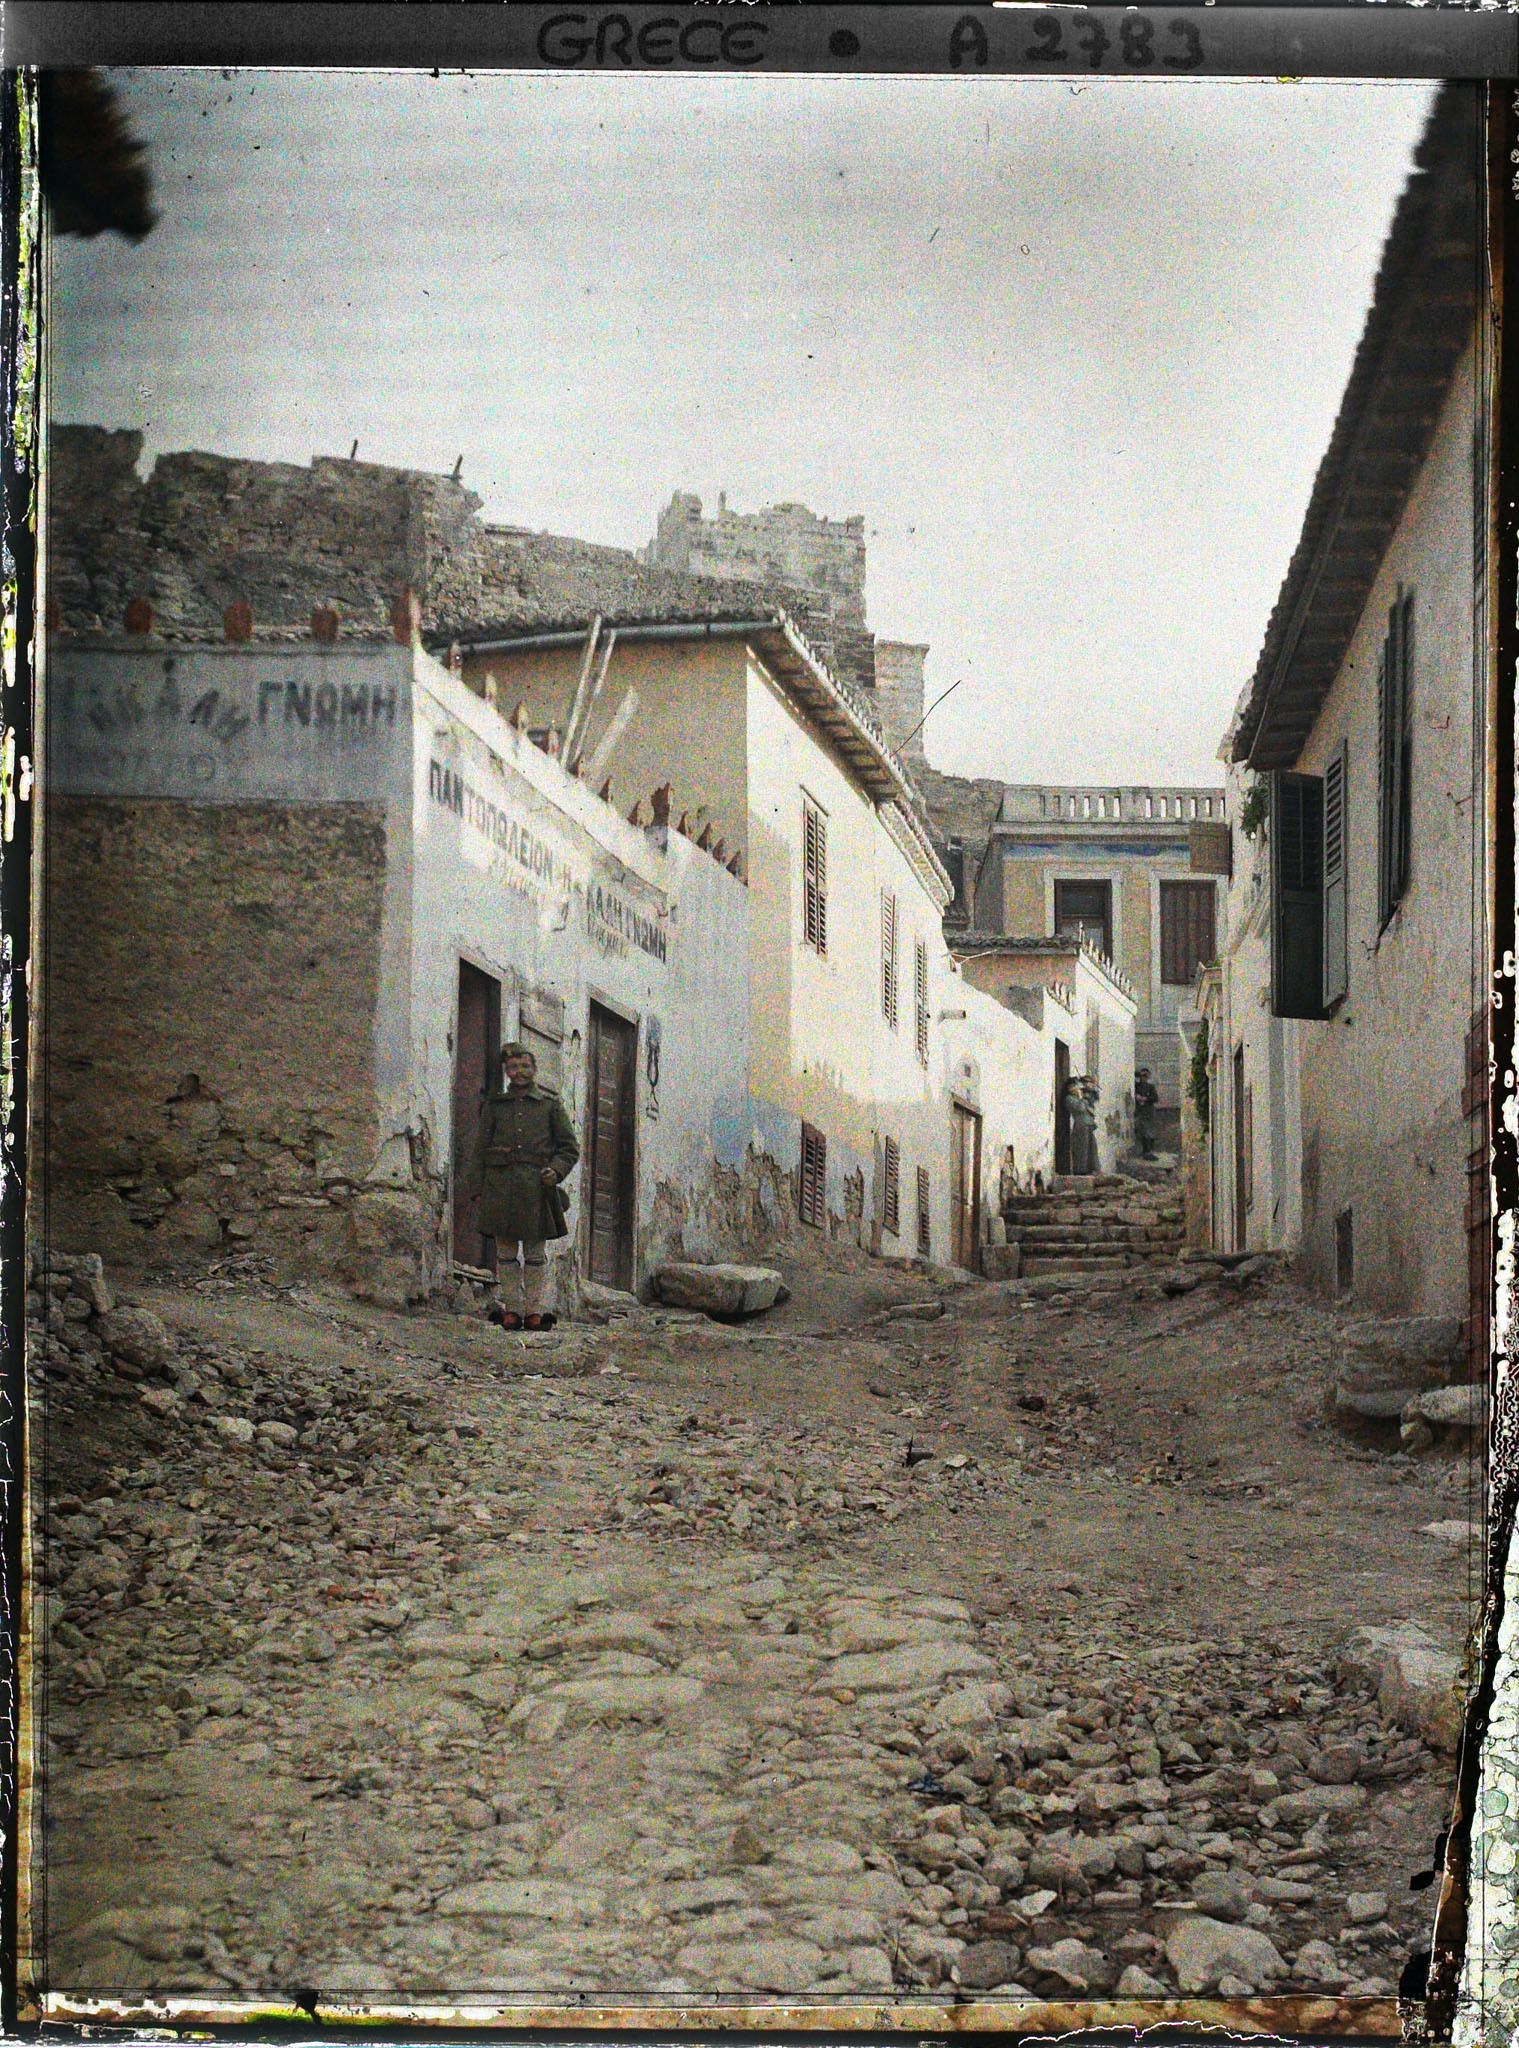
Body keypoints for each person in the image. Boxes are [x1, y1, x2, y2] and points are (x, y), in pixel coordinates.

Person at [467, 1042, 580, 1331]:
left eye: (525, 1066)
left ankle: (534, 1311)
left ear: (534, 1069)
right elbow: (480, 1149)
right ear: (506, 1071)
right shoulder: (495, 1106)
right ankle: (512, 1309)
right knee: (505, 1253)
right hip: (500, 1188)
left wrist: (556, 1170)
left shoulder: (550, 1106)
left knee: (534, 1254)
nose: (519, 1072)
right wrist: (476, 1189)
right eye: (514, 1067)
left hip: (535, 1189)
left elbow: (569, 1148)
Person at [1065, 1075, 1097, 1176]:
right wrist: (1080, 1097)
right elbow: (1081, 1108)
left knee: (1091, 1150)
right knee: (1081, 1151)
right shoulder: (1070, 1099)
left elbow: (1091, 1104)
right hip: (1080, 1126)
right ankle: (1080, 1171)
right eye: (1074, 1086)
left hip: (1089, 1125)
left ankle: (1091, 1170)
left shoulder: (1083, 1096)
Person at [1134, 1066, 1160, 1159]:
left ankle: (1149, 1151)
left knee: (1149, 1132)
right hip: (1140, 1111)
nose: (1143, 1078)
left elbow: (1155, 1098)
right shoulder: (1136, 1086)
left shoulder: (1150, 1087)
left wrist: (1145, 1099)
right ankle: (1145, 1151)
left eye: (1145, 1076)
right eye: (1142, 1076)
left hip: (1149, 1111)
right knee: (1142, 1132)